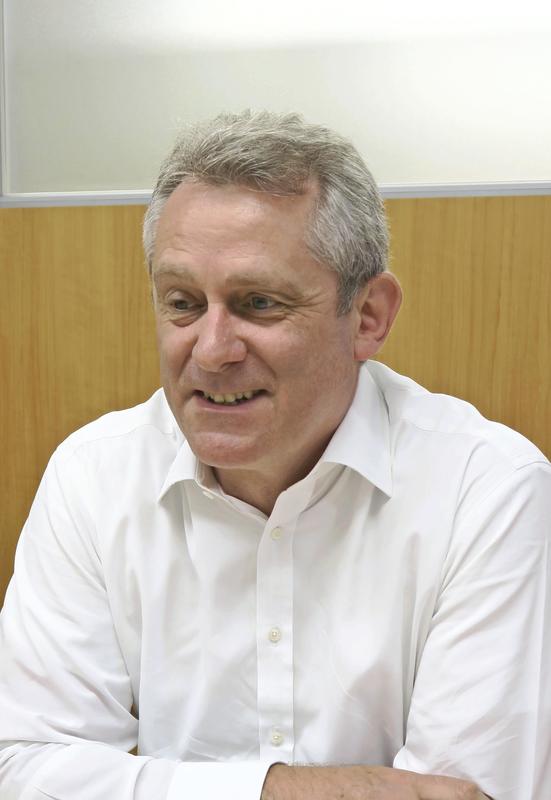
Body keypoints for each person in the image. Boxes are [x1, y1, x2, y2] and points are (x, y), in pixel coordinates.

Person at [0, 111, 549, 800]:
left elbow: (468, 794)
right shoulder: (93, 477)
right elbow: (25, 767)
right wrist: (287, 791)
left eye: (258, 303)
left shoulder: (488, 489)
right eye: (182, 303)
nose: (210, 351)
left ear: (368, 317)